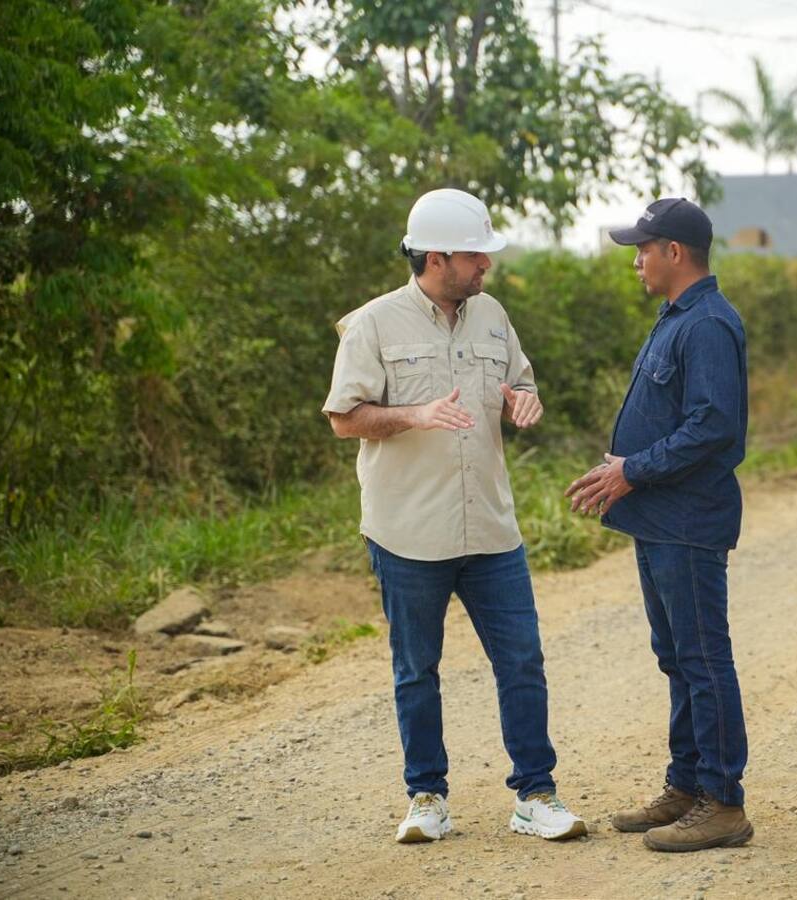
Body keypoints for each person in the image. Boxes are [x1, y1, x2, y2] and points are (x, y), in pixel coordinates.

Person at [323, 188, 585, 844]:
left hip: (491, 529)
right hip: (408, 532)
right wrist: (413, 413)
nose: (486, 266)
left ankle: (536, 795)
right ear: (437, 257)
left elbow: (519, 382)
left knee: (522, 659)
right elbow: (342, 416)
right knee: (417, 669)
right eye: (476, 255)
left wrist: (523, 401)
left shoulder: (492, 315)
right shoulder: (374, 324)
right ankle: (427, 798)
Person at [565, 197, 752, 852]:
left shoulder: (707, 326)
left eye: (644, 248)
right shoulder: (675, 317)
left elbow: (713, 426)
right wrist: (624, 473)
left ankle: (724, 803)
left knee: (703, 659)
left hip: (688, 521)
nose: (637, 260)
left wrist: (632, 470)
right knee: (678, 657)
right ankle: (687, 785)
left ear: (676, 252)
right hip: (659, 519)